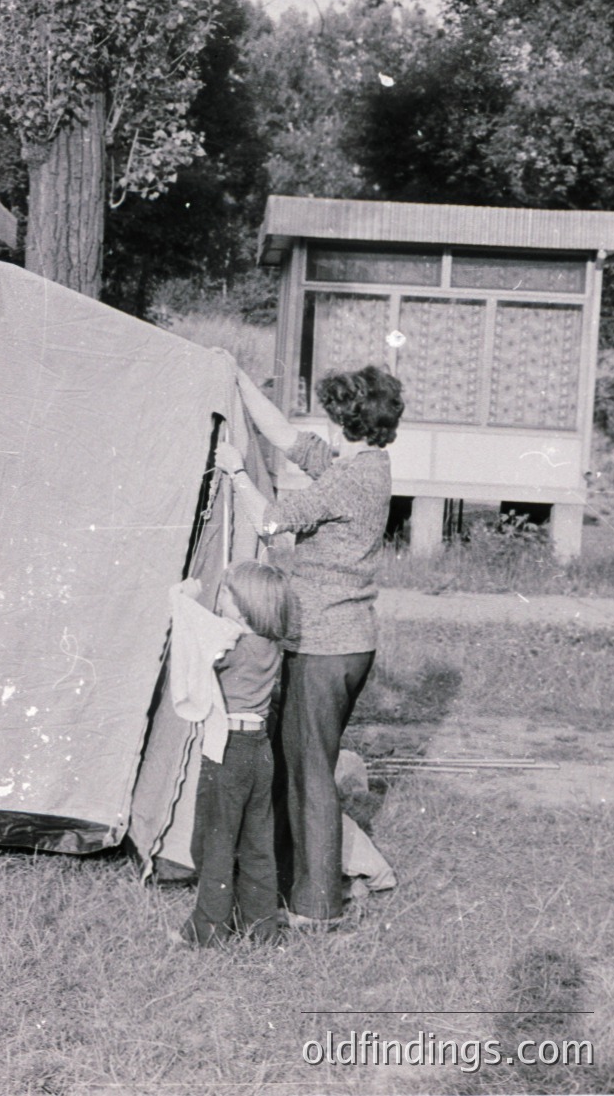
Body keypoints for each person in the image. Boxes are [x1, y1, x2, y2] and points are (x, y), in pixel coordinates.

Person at [213, 362, 405, 928]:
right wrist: (238, 377)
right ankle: (301, 884)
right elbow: (288, 438)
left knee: (308, 773)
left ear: (344, 417)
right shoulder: (367, 464)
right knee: (306, 766)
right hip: (346, 642)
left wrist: (236, 472)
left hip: (324, 647)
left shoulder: (348, 479)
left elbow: (270, 522)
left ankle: (318, 907)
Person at [181, 561, 293, 948]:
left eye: (226, 592)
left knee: (216, 843)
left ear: (243, 605)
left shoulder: (231, 647)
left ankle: (208, 930)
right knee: (257, 845)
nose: (220, 596)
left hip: (227, 750)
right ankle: (262, 931)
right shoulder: (270, 644)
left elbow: (194, 653)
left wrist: (182, 602)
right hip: (259, 749)